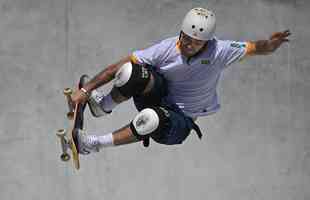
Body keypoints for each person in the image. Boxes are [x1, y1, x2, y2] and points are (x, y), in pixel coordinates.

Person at [71, 7, 291, 155]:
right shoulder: (167, 48)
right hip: (159, 97)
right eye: (185, 38)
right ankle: (102, 106)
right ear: (180, 33)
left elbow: (254, 47)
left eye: (196, 43)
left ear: (207, 42)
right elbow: (117, 67)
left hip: (179, 121)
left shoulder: (220, 51)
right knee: (131, 71)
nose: (188, 45)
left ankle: (93, 144)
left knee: (150, 118)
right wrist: (87, 89)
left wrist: (270, 45)